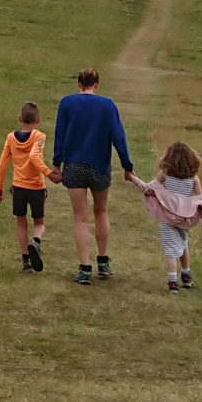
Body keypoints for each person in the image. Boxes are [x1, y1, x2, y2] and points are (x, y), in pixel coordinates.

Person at [51, 67, 133, 285]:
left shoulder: (67, 103)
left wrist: (56, 164)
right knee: (101, 211)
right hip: (99, 166)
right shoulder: (108, 105)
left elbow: (60, 135)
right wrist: (127, 165)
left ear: (79, 84)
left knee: (80, 217)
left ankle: (85, 267)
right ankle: (103, 262)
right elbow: (119, 138)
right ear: (96, 84)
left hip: (74, 166)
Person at [127, 141, 202, 292]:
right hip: (184, 219)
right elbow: (201, 200)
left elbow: (148, 189)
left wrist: (132, 178)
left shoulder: (165, 173)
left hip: (168, 218)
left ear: (169, 158)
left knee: (170, 250)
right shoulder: (194, 178)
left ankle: (172, 282)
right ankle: (186, 276)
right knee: (183, 245)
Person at [0, 101, 55, 272]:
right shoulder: (39, 136)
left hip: (18, 188)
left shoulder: (10, 138)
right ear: (38, 120)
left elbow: (3, 163)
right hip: (36, 187)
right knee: (39, 223)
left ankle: (25, 260)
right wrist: (48, 173)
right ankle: (35, 242)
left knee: (21, 222)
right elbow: (35, 158)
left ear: (20, 118)